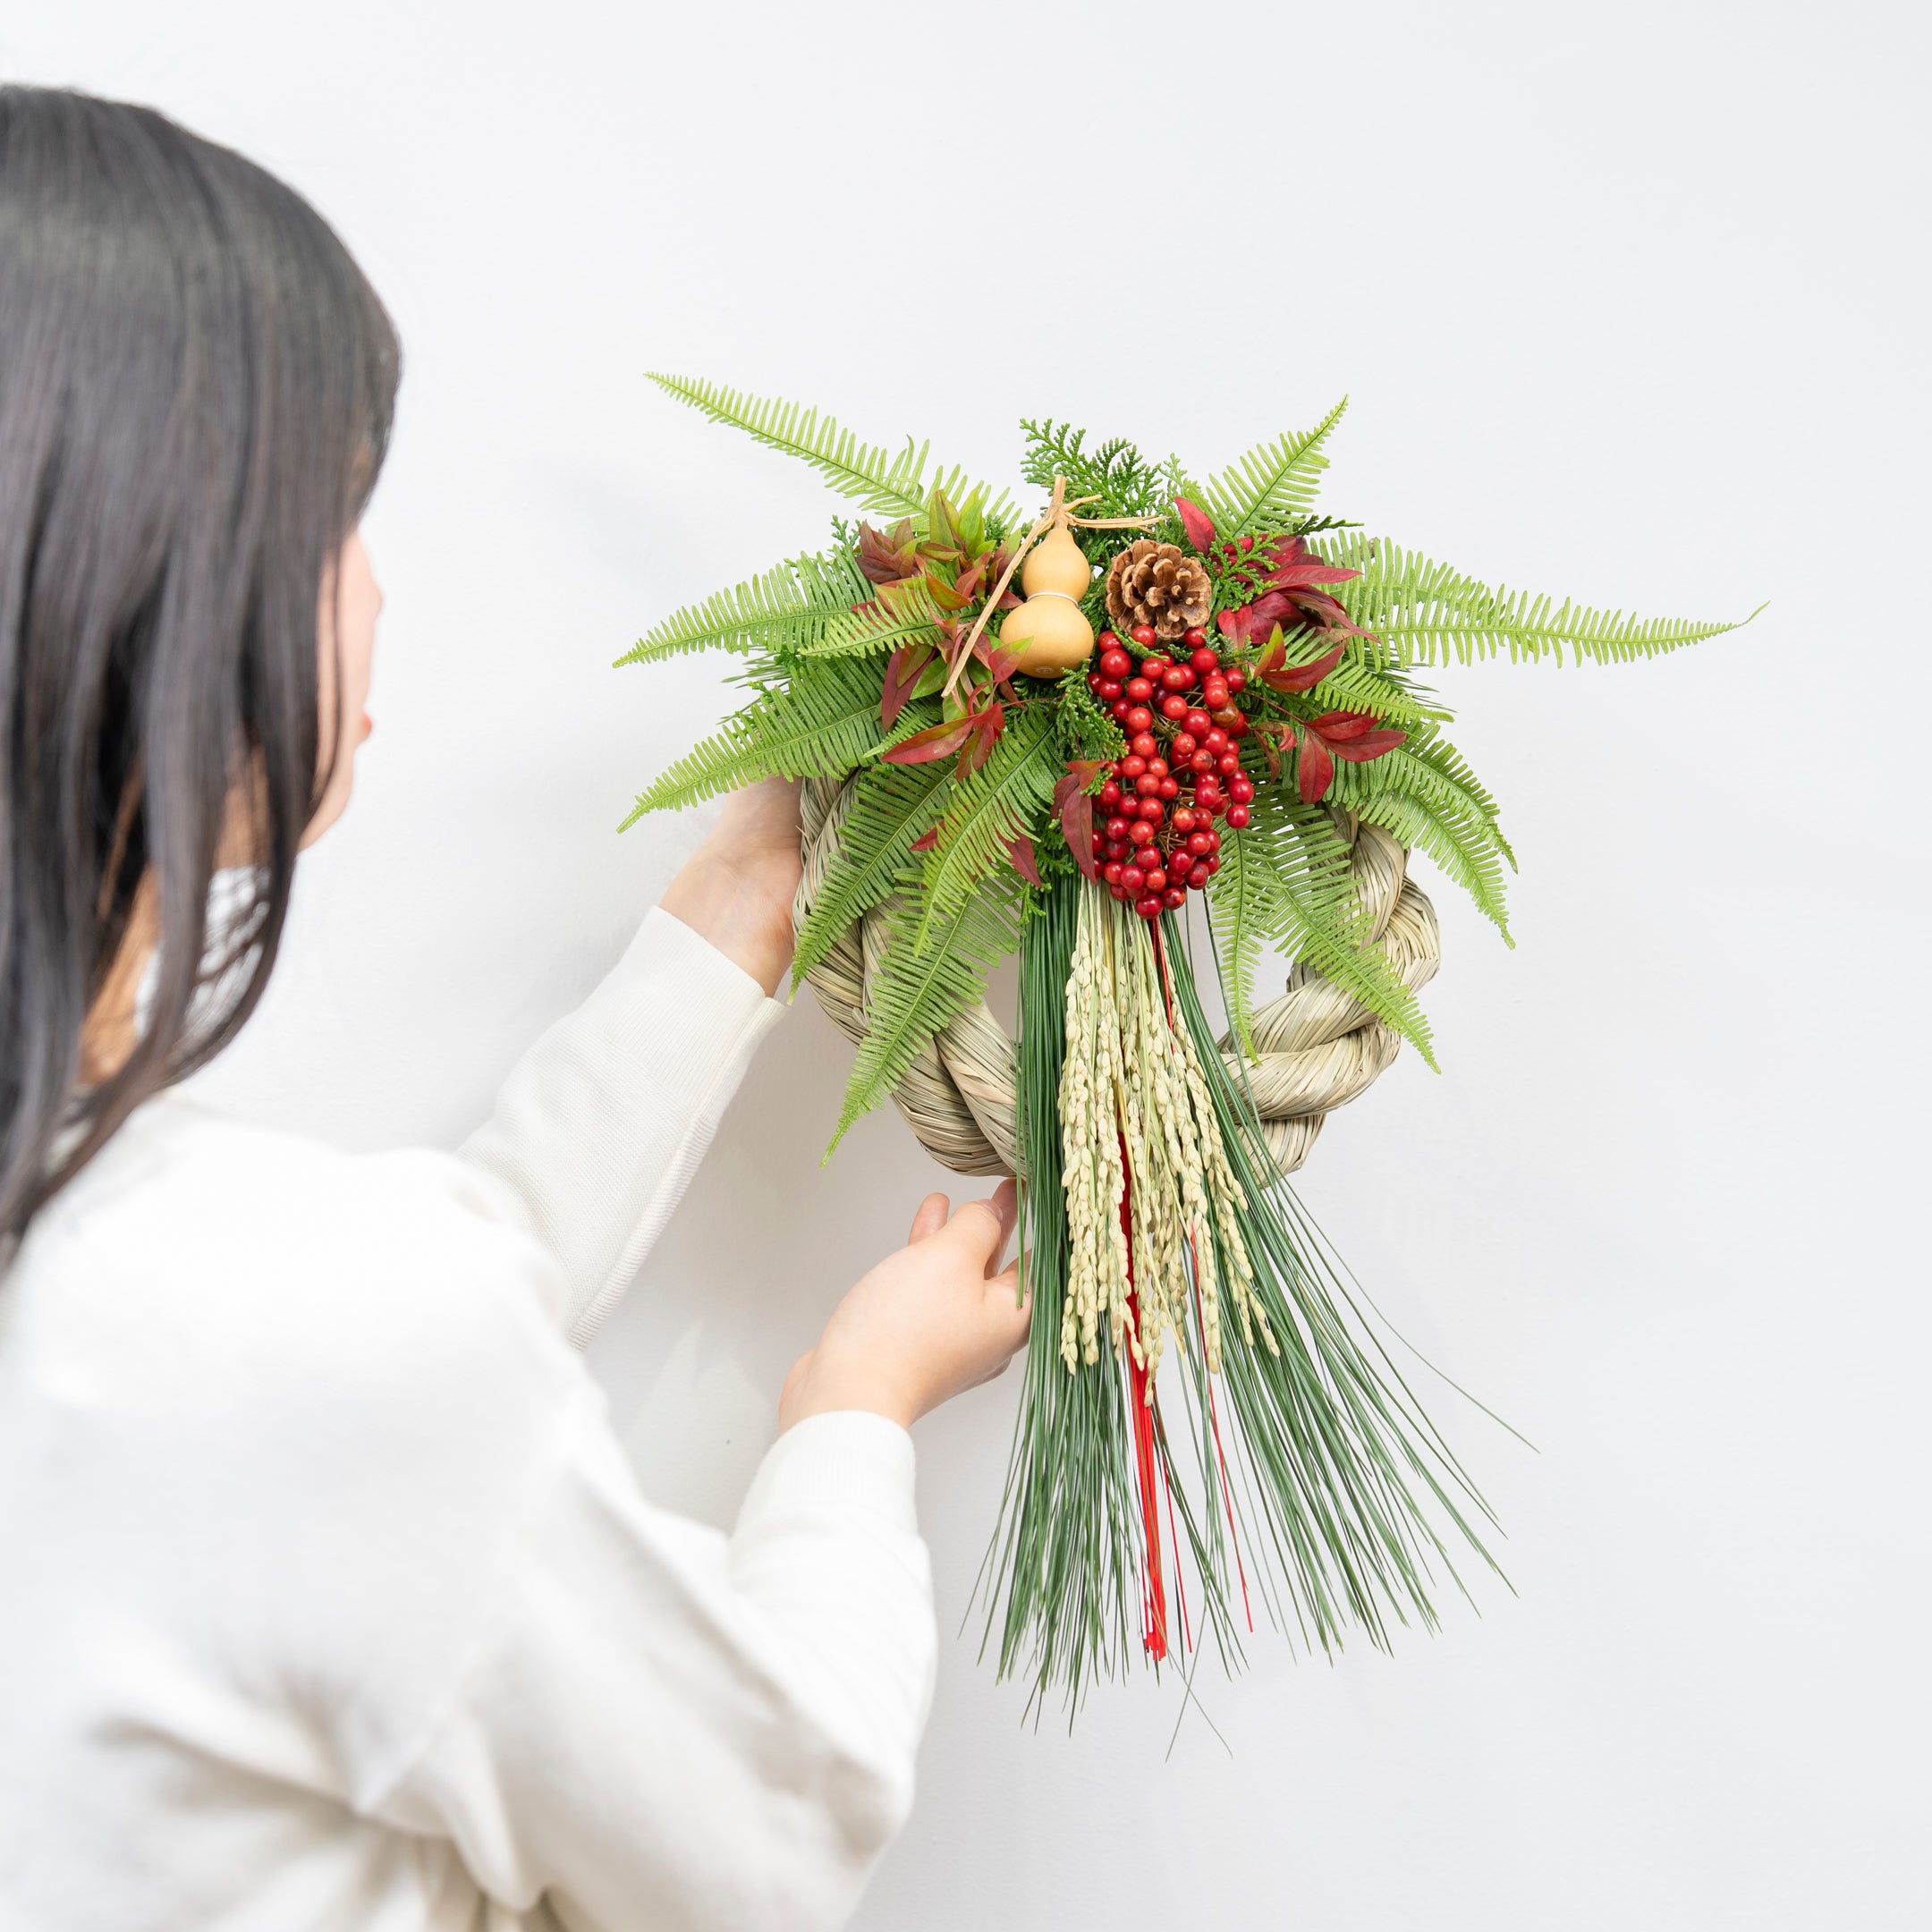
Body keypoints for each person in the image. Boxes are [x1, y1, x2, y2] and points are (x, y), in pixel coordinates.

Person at [0, 86, 1031, 1932]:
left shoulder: (150, 1272)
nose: (376, 579)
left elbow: (357, 1355)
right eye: (330, 514)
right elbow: (774, 1841)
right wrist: (854, 1410)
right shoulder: (281, 1327)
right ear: (144, 576)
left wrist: (733, 915)